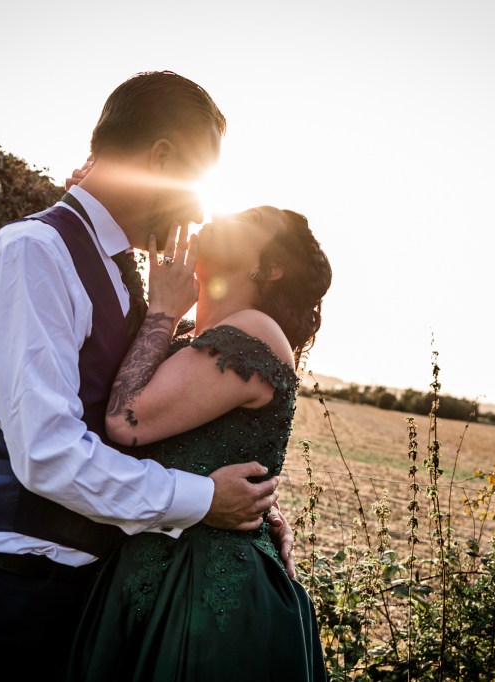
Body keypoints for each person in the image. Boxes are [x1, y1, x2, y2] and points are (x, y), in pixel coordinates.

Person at [0, 71, 293, 681]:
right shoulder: (32, 253)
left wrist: (251, 511)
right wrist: (204, 501)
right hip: (8, 592)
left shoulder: (119, 273)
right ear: (161, 160)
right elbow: (48, 455)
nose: (200, 209)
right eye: (196, 183)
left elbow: (154, 420)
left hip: (84, 596)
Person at [66, 205, 332, 681]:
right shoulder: (194, 336)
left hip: (208, 594)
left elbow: (126, 419)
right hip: (146, 570)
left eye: (251, 222)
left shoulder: (255, 331)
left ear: (271, 267)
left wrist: (163, 311)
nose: (227, 217)